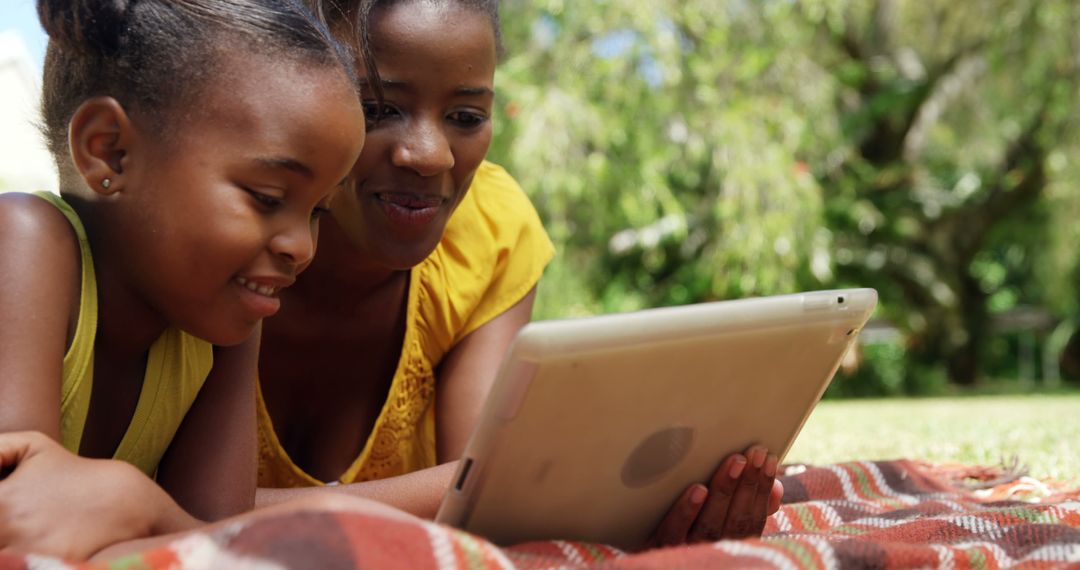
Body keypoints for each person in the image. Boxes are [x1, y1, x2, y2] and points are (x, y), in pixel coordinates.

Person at [255, 0, 783, 546]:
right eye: (378, 109)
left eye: (465, 117)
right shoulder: (226, 246)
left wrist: (648, 506)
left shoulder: (489, 231)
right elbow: (484, 488)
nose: (429, 155)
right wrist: (565, 480)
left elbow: (485, 509)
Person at [0, 0, 365, 559]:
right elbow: (20, 519)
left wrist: (138, 505)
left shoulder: (222, 325)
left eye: (318, 211)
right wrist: (148, 513)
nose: (303, 247)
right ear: (110, 152)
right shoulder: (25, 240)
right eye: (268, 199)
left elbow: (217, 542)